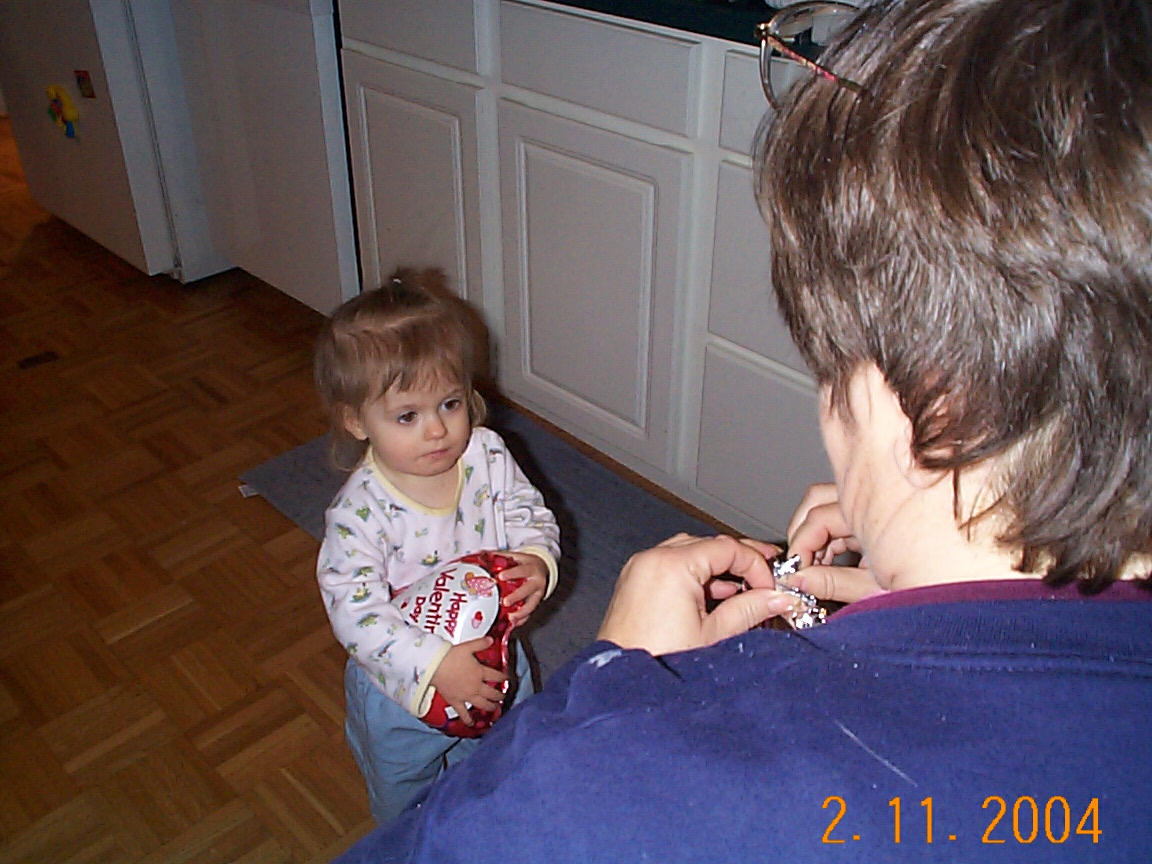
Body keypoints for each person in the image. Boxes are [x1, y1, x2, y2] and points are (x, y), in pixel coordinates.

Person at [331, 0, 1152, 860]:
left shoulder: (626, 786)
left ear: (928, 402)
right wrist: (919, 563)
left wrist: (609, 690)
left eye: (828, 367)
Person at [313, 267, 561, 825]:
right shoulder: (359, 513)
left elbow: (528, 512)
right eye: (408, 416)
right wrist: (433, 664)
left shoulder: (486, 455)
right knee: (408, 804)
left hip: (496, 658)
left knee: (504, 765)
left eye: (450, 403)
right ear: (356, 421)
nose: (437, 430)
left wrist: (537, 560)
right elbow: (354, 612)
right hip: (402, 692)